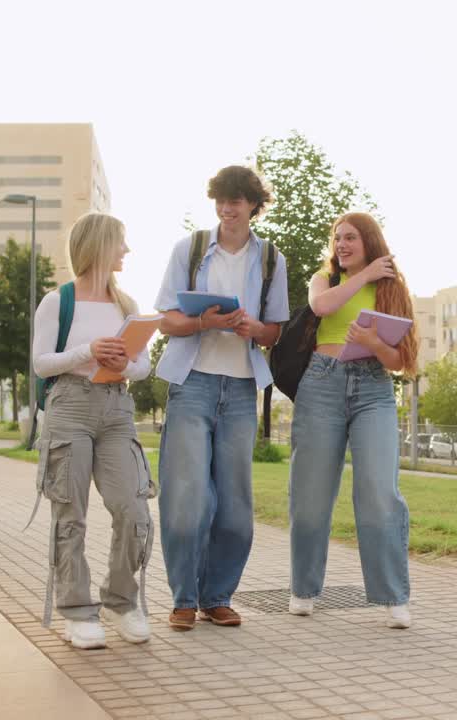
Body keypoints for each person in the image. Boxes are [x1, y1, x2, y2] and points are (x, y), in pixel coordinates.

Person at [153, 166, 289, 631]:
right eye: (220, 200)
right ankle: (184, 598)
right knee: (188, 497)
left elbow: (275, 331)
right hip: (192, 383)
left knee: (234, 503)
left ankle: (218, 596)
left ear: (253, 204)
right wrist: (202, 323)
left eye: (236, 201)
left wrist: (256, 329)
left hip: (239, 389)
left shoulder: (271, 259)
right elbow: (166, 320)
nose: (227, 209)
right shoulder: (189, 249)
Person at [287, 212, 418, 629]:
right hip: (321, 385)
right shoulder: (323, 279)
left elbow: (400, 361)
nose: (341, 244)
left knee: (380, 493)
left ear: (370, 242)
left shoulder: (391, 287)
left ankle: (392, 596)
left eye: (351, 238)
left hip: (374, 391)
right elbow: (321, 306)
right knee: (310, 495)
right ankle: (303, 588)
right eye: (337, 238)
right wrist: (363, 277)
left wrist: (372, 342)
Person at [32, 212, 155, 650]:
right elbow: (41, 363)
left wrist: (127, 364)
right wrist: (87, 350)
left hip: (117, 407)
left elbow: (143, 366)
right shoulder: (57, 302)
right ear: (100, 245)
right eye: (120, 242)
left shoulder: (128, 305)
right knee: (71, 513)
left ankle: (122, 600)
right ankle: (77, 611)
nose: (125, 251)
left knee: (133, 509)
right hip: (70, 406)